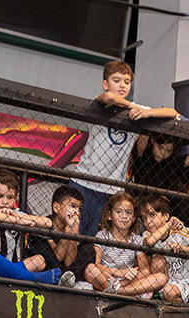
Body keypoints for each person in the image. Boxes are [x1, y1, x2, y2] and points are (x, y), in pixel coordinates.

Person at [70, 60, 182, 237]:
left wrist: (147, 113)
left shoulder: (138, 111)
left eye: (127, 82)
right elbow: (108, 97)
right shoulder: (100, 104)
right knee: (72, 233)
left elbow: (173, 112)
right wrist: (132, 106)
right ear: (105, 83)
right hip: (84, 181)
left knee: (101, 239)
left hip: (112, 188)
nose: (122, 85)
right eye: (116, 80)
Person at [0, 168, 71, 285]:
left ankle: (10, 273)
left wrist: (17, 217)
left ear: (16, 197)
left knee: (39, 260)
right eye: (0, 196)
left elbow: (47, 223)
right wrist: (18, 221)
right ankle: (33, 278)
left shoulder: (18, 214)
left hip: (13, 264)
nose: (5, 201)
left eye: (10, 197)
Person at [86, 191, 165, 296]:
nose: (124, 216)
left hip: (128, 281)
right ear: (109, 215)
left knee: (161, 278)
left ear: (133, 219)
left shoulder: (136, 240)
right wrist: (120, 272)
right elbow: (97, 264)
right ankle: (119, 291)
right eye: (119, 212)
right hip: (106, 278)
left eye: (128, 212)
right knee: (90, 270)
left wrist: (124, 281)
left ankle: (119, 291)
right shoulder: (102, 235)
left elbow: (145, 270)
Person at [138, 195, 189, 303]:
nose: (148, 222)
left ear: (165, 216)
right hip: (163, 280)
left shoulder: (181, 231)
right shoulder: (148, 234)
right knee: (157, 260)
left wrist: (183, 248)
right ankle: (157, 294)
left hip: (184, 281)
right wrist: (169, 224)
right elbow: (149, 243)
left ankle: (182, 307)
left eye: (152, 215)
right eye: (144, 218)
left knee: (169, 292)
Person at [25, 184, 98, 284]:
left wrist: (73, 232)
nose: (76, 212)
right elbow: (57, 258)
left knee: (89, 249)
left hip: (65, 269)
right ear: (56, 208)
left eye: (79, 208)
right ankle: (62, 278)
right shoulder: (45, 224)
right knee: (42, 246)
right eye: (72, 206)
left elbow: (69, 262)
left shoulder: (74, 224)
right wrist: (68, 231)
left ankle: (67, 278)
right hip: (47, 266)